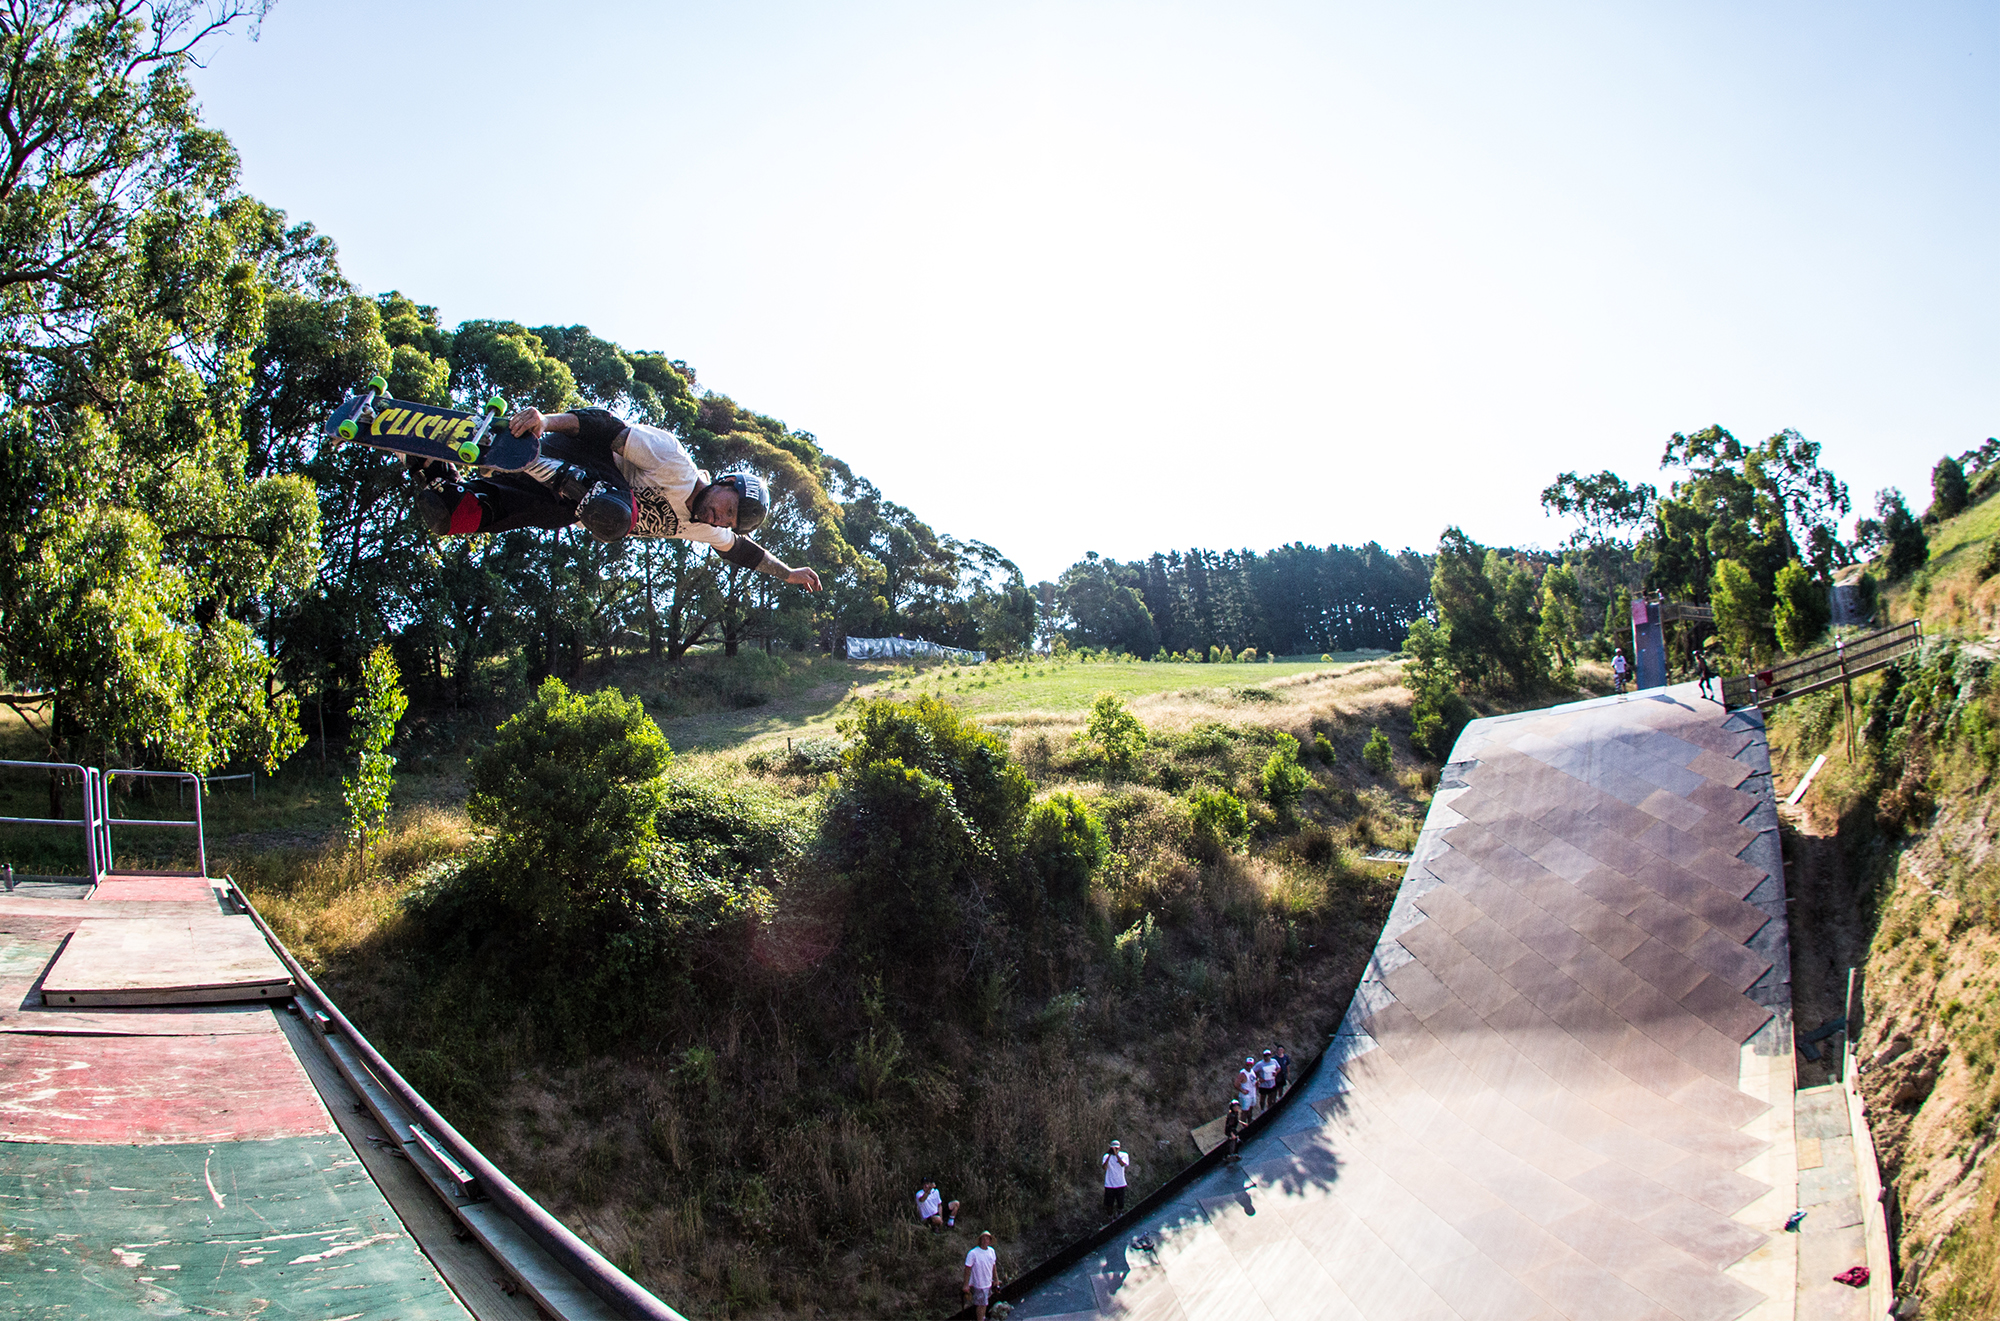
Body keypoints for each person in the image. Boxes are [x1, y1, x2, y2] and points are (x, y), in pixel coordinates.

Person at [408, 405, 822, 591]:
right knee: (615, 514)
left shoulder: (705, 529)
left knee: (453, 515)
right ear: (724, 482)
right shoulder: (674, 463)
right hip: (573, 457)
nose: (718, 519)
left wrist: (788, 573)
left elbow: (744, 552)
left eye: (726, 522)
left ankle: (428, 465)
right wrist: (545, 421)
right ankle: (526, 457)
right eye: (726, 508)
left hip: (565, 503)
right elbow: (604, 425)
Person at [963, 1231, 997, 1321]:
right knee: (980, 1304)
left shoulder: (991, 1251)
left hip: (988, 1282)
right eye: (983, 1239)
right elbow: (967, 1268)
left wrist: (996, 1279)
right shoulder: (973, 1253)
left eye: (987, 1239)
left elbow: (993, 1266)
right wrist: (966, 1284)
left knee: (985, 1303)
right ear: (980, 1240)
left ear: (990, 1241)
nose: (985, 1240)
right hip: (979, 1283)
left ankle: (983, 1318)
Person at [1101, 1139, 1130, 1217]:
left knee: (1120, 1203)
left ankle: (1119, 1214)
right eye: (1113, 1148)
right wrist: (1109, 1155)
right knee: (1109, 1204)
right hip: (1109, 1184)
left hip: (1120, 1183)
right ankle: (1110, 1217)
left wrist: (1117, 1155)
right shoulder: (1106, 1156)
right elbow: (1104, 1167)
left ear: (1119, 1148)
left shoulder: (1124, 1155)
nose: (1115, 1150)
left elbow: (1122, 1164)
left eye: (1116, 1148)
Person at [1255, 1049, 1279, 1114]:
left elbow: (1279, 1068)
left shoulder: (1274, 1061)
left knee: (1271, 1096)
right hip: (1263, 1085)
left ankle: (1269, 1108)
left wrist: (1276, 1073)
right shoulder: (1260, 1064)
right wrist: (1259, 1078)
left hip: (1272, 1083)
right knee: (1263, 1097)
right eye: (1266, 1056)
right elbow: (1253, 1071)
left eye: (1268, 1055)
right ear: (1263, 1056)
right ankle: (1262, 1110)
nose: (1267, 1057)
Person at [1222, 1098, 1245, 1163]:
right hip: (1230, 1130)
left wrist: (1242, 1123)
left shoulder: (1235, 1113)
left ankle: (1234, 1154)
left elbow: (1236, 1120)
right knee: (1232, 1142)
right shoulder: (1231, 1115)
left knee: (1235, 1141)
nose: (1237, 1107)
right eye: (1236, 1106)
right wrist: (1232, 1134)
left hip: (1233, 1129)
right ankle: (1228, 1155)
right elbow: (1229, 1126)